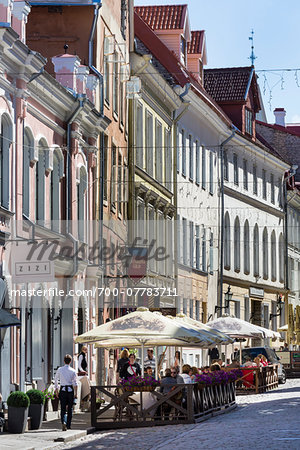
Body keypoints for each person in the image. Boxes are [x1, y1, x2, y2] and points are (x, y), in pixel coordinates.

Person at [55, 354, 78, 431]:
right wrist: (76, 394)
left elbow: (55, 380)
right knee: (70, 408)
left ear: (64, 361)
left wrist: (56, 390)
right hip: (70, 390)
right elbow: (75, 383)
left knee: (63, 408)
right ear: (70, 361)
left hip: (63, 390)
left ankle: (63, 422)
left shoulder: (60, 369)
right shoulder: (73, 371)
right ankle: (68, 425)